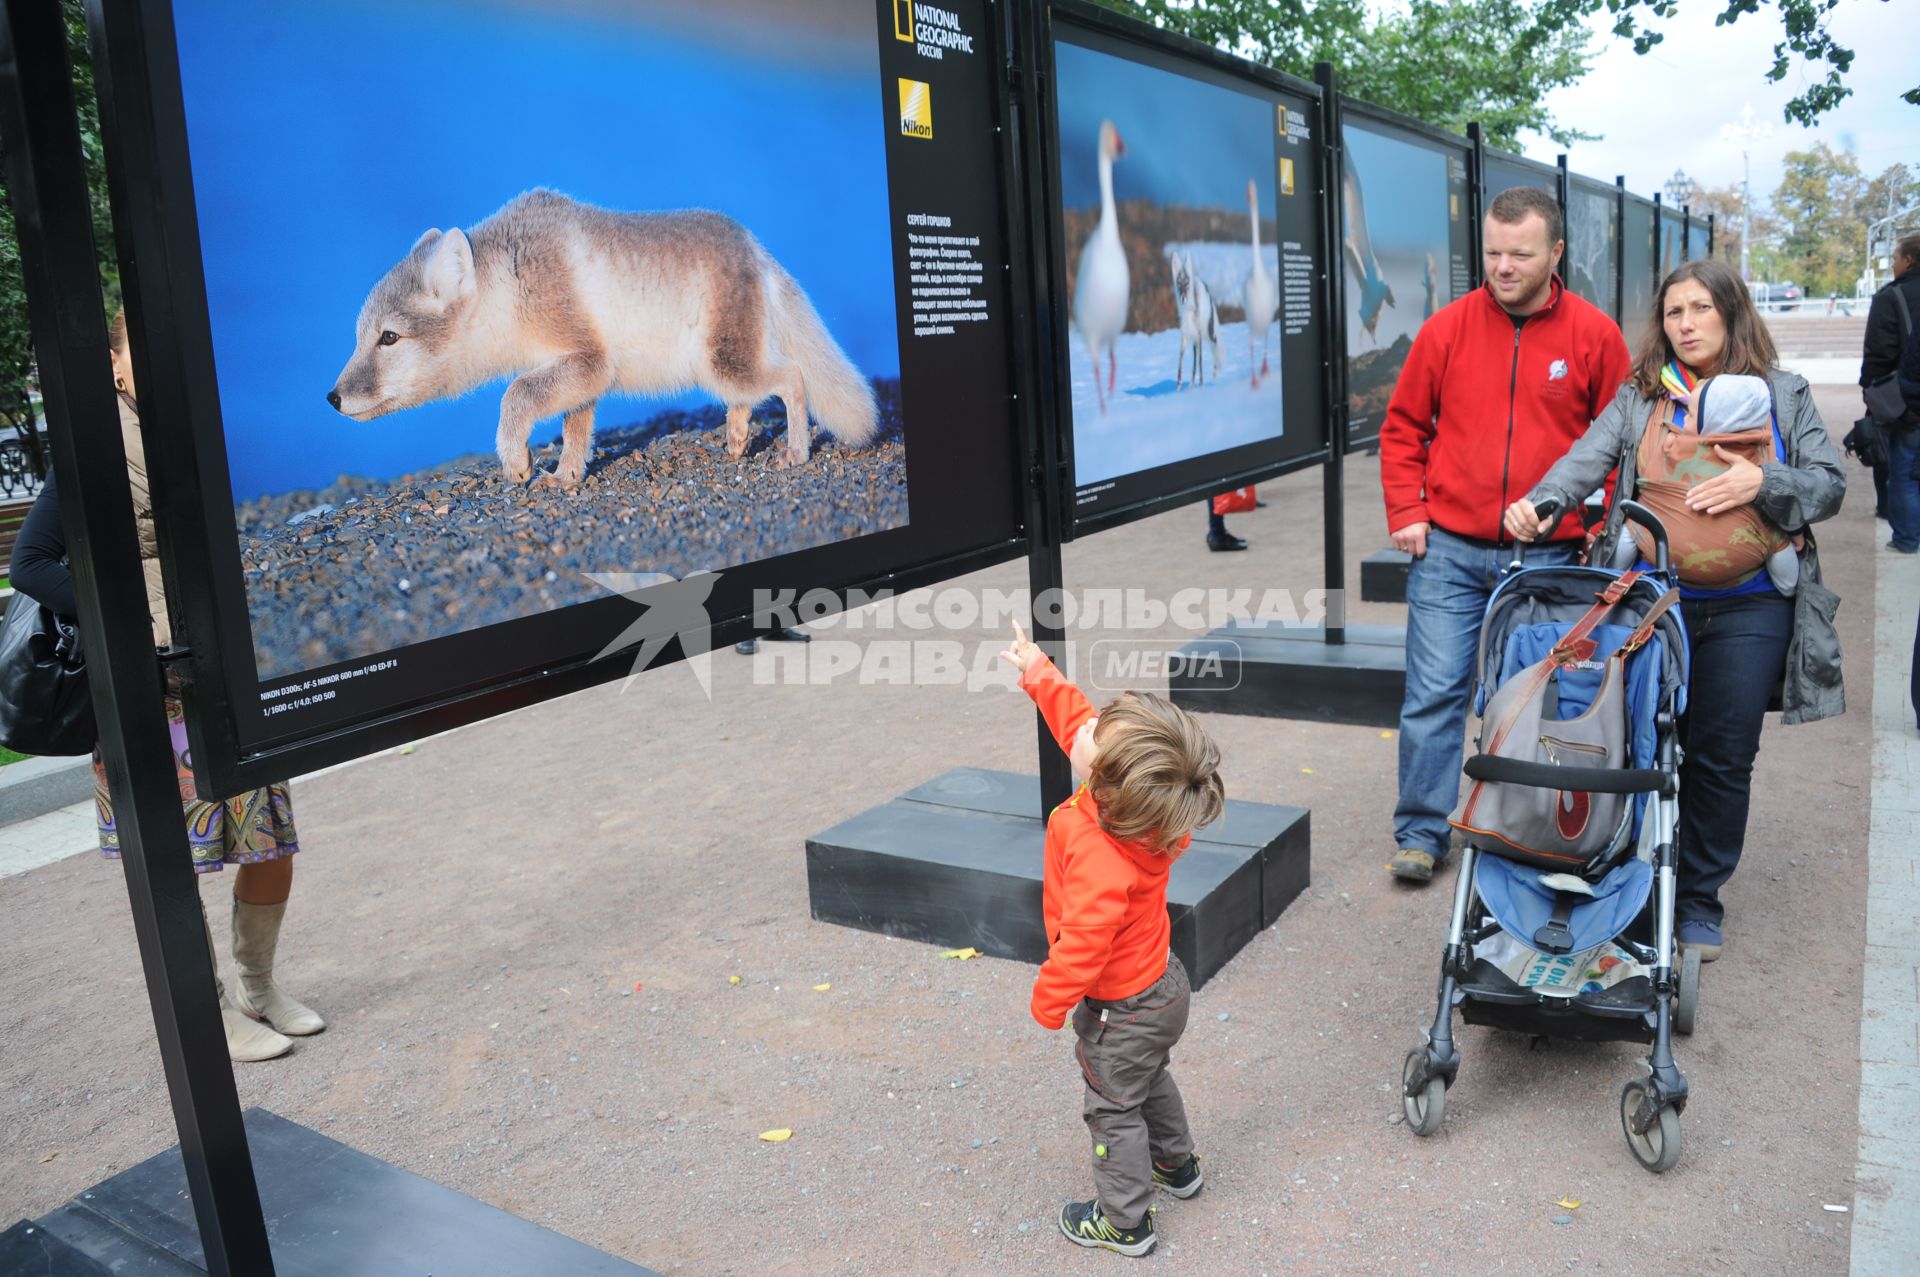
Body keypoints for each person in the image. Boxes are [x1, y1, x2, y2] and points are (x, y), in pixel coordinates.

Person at [1505, 257, 1845, 961]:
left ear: (1731, 312)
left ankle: (1696, 900)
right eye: (1673, 312)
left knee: (1722, 756)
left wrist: (1763, 479)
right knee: (1641, 743)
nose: (1685, 324)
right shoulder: (1641, 396)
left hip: (1751, 609)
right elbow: (1584, 459)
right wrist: (1541, 503)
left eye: (1700, 309)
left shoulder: (1782, 394)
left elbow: (1829, 484)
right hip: (1654, 607)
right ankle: (1635, 881)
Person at [8, 311, 324, 1062]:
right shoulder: (93, 450)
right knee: (174, 856)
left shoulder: (202, 436)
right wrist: (130, 615)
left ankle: (258, 984)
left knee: (269, 839)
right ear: (115, 366)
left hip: (222, 674)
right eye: (139, 354)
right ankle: (211, 1009)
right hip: (152, 687)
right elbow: (31, 564)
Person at [1379, 186, 1632, 884]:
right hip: (1451, 553)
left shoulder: (1594, 335)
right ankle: (1422, 833)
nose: (1503, 266)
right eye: (1492, 252)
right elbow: (1402, 428)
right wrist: (1408, 509)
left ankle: (1531, 825)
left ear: (1555, 252)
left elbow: (1622, 446)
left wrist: (1597, 527)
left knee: (1539, 695)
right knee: (1433, 693)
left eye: (1520, 253)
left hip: (1550, 555)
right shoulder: (1447, 329)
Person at [999, 620, 1223, 1258]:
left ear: (1103, 777)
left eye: (1096, 737)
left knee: (1111, 1105)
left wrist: (1049, 999)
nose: (1087, 726)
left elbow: (1084, 944)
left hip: (1121, 1008)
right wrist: (1038, 670)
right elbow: (1078, 723)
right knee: (1148, 1077)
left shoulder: (1101, 849)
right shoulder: (1141, 807)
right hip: (1162, 986)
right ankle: (1177, 1168)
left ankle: (1124, 1222)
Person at [1861, 233, 1920, 542]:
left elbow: (1879, 353)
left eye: (1895, 258)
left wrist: (1869, 392)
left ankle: (1908, 538)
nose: (1893, 264)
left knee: (1904, 471)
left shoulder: (1890, 297)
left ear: (1908, 260)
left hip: (1906, 398)